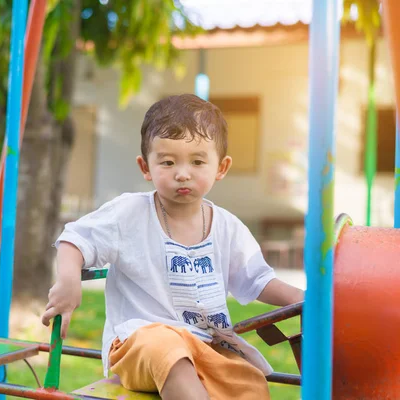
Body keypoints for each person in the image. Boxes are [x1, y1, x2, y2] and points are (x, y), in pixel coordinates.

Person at [41, 94, 304, 399]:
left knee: (249, 382)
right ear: (146, 167)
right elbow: (75, 239)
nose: (182, 172)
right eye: (167, 162)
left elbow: (257, 279)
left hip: (205, 344)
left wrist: (303, 299)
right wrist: (69, 281)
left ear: (221, 167)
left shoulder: (227, 226)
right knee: (170, 351)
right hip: (139, 342)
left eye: (197, 161)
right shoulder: (129, 213)